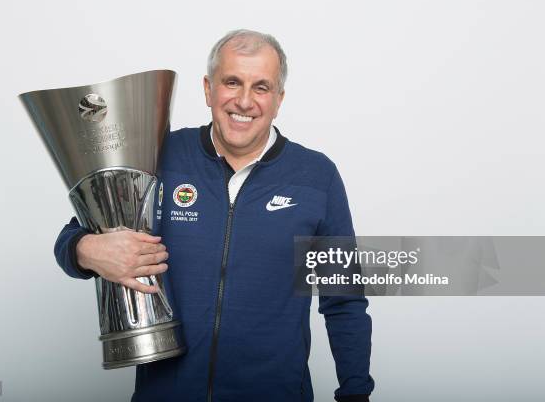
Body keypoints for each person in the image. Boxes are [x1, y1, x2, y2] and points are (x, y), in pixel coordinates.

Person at [54, 29, 375, 402]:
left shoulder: (317, 177)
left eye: (261, 87)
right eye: (232, 82)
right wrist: (87, 250)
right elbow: (73, 236)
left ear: (278, 99)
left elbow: (345, 299)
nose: (244, 100)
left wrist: (356, 393)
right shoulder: (157, 156)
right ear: (208, 89)